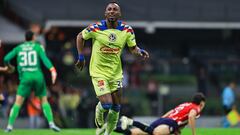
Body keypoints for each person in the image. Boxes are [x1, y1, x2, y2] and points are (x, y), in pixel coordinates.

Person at [75, 1, 149, 135]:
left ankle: (107, 133)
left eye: (115, 9)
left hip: (115, 73)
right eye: (109, 9)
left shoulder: (127, 30)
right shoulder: (96, 28)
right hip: (98, 72)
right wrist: (81, 57)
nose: (111, 11)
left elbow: (132, 48)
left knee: (116, 107)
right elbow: (80, 36)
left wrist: (139, 51)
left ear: (119, 13)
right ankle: (99, 111)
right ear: (105, 13)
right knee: (107, 104)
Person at [3, 30, 60, 132]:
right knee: (44, 101)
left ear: (25, 38)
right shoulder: (37, 47)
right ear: (33, 37)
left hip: (25, 77)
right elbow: (44, 59)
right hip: (38, 76)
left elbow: (6, 58)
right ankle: (51, 124)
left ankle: (9, 126)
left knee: (18, 103)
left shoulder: (19, 48)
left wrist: (9, 66)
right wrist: (52, 70)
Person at [115, 93, 206, 135]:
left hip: (165, 120)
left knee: (135, 132)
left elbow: (172, 111)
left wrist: (161, 120)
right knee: (156, 133)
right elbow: (190, 116)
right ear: (201, 103)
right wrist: (194, 134)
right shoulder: (196, 107)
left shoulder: (185, 104)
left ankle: (110, 128)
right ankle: (131, 122)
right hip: (171, 122)